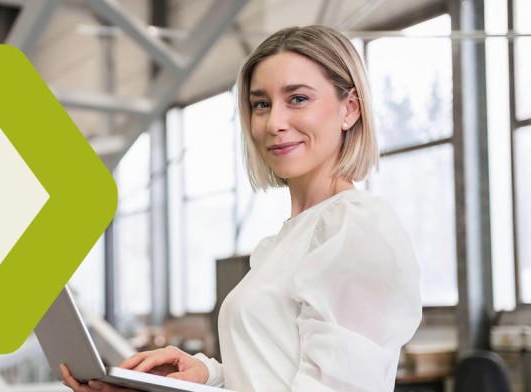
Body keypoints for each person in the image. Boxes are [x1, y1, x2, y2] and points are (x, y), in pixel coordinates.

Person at [61, 25, 422, 392]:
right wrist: (203, 376)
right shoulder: (284, 243)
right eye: (261, 104)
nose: (274, 123)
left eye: (297, 98)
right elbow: (270, 374)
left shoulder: (355, 228)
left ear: (350, 110)